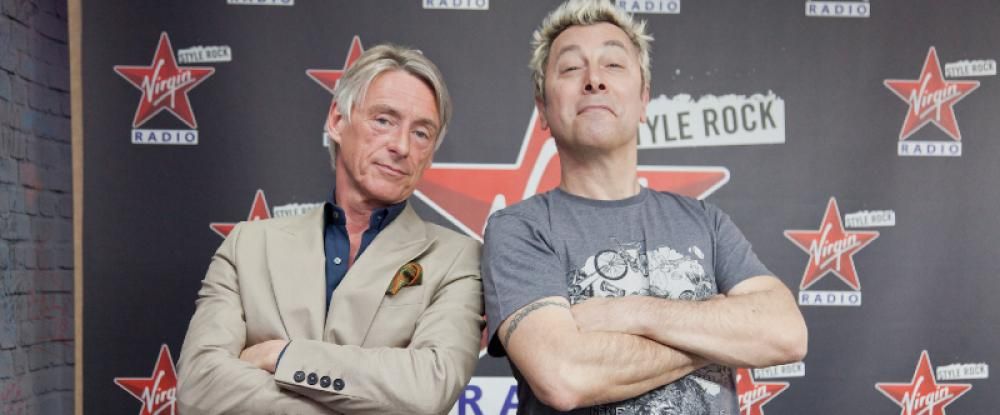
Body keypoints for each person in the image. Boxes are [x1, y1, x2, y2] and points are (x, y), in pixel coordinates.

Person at [481, 1, 808, 413]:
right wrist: (718, 334)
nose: (594, 80)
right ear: (542, 108)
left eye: (614, 65)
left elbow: (786, 333)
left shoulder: (706, 223)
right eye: (571, 68)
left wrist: (631, 313)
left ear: (643, 101)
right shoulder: (520, 229)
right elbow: (564, 376)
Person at [177, 44, 484, 414]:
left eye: (421, 133)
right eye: (384, 120)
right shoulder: (248, 246)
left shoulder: (458, 259)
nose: (402, 146)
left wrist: (282, 356)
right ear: (337, 121)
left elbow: (427, 390)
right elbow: (198, 389)